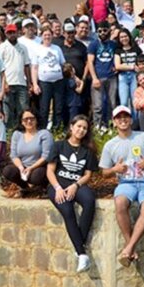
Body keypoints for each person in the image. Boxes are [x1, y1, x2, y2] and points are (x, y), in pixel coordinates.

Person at [100, 105, 144, 266]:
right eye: (119, 117)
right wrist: (115, 169)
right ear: (114, 122)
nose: (123, 119)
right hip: (126, 183)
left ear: (131, 119)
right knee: (120, 202)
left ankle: (128, 249)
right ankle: (131, 247)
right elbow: (104, 172)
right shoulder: (110, 145)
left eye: (126, 116)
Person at [47, 115, 98, 273]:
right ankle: (82, 254)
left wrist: (76, 185)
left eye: (84, 128)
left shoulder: (87, 151)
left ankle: (78, 245)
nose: (81, 130)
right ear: (71, 127)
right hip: (58, 185)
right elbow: (50, 171)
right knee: (68, 211)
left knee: (89, 200)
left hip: (77, 185)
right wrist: (58, 188)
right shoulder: (58, 146)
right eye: (79, 126)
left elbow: (88, 175)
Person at [1, 111, 53, 194]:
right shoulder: (17, 134)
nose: (29, 121)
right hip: (22, 167)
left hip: (38, 167)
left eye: (32, 119)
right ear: (21, 122)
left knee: (37, 176)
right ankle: (25, 187)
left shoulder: (44, 134)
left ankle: (40, 188)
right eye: (25, 119)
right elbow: (14, 155)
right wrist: (21, 168)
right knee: (8, 171)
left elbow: (46, 156)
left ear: (36, 120)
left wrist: (31, 168)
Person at [0, 23, 31, 132]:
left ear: (17, 33)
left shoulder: (23, 47)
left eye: (13, 32)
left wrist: (29, 83)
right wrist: (4, 83)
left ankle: (22, 131)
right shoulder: (1, 47)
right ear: (6, 34)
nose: (11, 34)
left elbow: (26, 66)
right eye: (9, 32)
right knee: (8, 110)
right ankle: (9, 133)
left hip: (21, 83)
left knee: (23, 109)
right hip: (8, 83)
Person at [31, 28, 67, 131]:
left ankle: (57, 128)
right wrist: (35, 84)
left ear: (52, 36)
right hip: (44, 82)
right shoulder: (37, 49)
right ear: (41, 36)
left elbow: (63, 64)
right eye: (45, 35)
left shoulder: (57, 49)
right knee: (44, 107)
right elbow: (34, 68)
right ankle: (42, 128)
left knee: (58, 106)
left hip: (58, 81)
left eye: (49, 35)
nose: (47, 37)